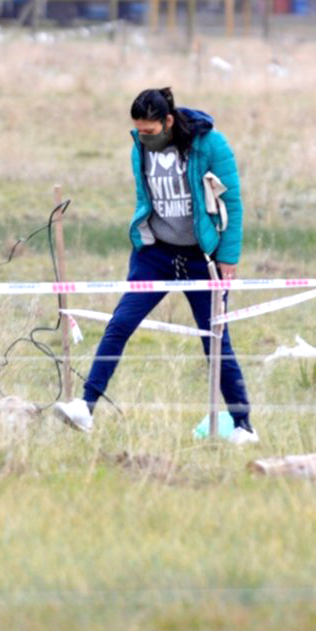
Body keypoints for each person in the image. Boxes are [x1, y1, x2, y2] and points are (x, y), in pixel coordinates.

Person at [52, 87, 256, 444]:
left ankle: (243, 426)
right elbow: (145, 196)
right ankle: (85, 407)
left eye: (150, 132)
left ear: (168, 121)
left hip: (201, 258)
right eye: (139, 132)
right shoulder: (139, 148)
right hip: (155, 256)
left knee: (217, 342)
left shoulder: (211, 145)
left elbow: (233, 201)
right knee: (120, 324)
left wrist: (228, 257)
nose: (143, 139)